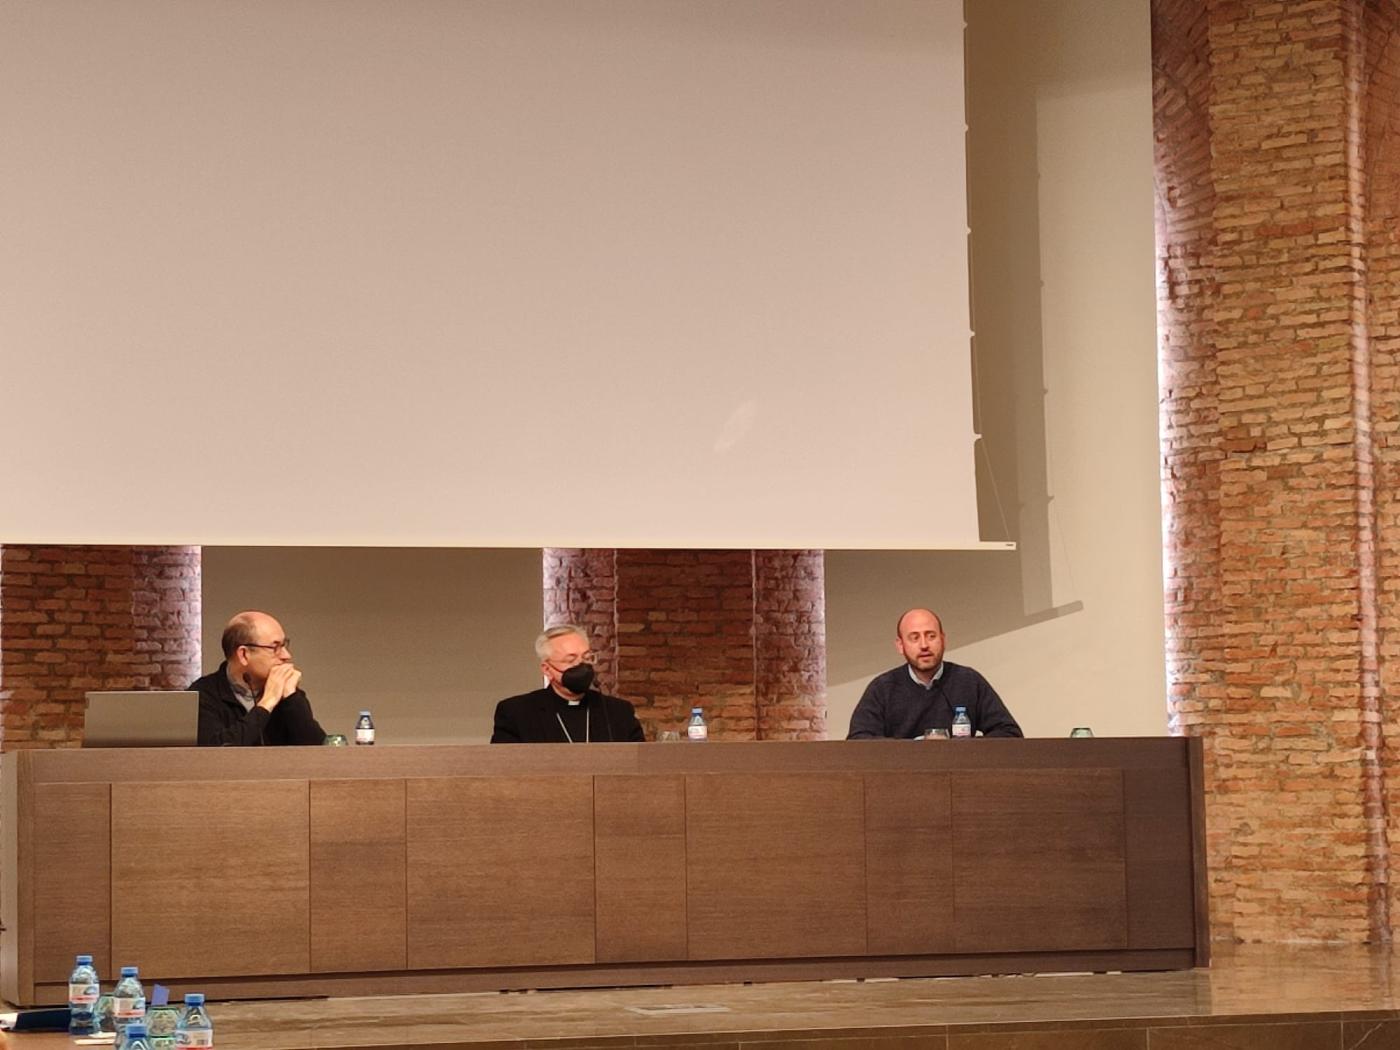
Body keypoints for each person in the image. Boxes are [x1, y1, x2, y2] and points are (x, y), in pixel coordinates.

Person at [847, 608, 1022, 739]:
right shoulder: (883, 688)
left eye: (931, 636)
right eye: (914, 638)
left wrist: (962, 748)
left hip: (960, 778)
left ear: (943, 640)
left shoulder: (968, 681)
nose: (924, 645)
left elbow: (1009, 733)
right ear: (900, 645)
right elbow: (859, 741)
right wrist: (915, 749)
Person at [492, 623, 645, 743]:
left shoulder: (618, 712)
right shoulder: (517, 713)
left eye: (586, 658)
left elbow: (642, 766)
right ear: (547, 669)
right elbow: (504, 769)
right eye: (571, 660)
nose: (581, 666)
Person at [192, 610, 326, 746]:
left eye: (284, 645)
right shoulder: (202, 695)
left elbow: (318, 751)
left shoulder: (286, 693)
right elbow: (217, 753)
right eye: (275, 647)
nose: (286, 655)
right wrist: (267, 703)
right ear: (244, 654)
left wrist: (292, 699)